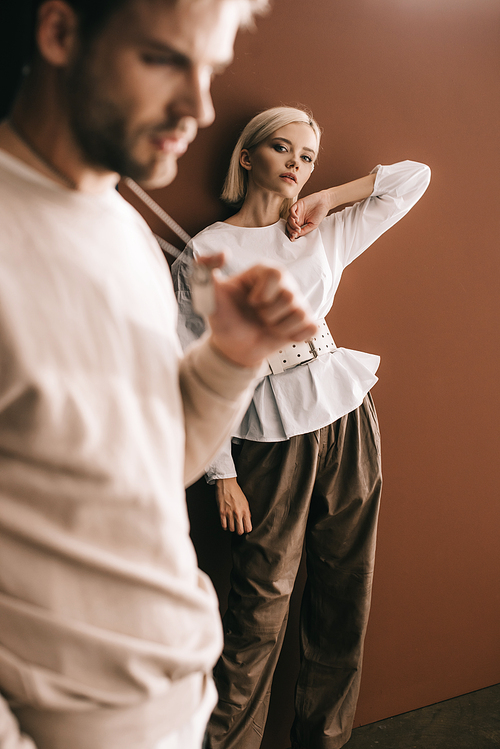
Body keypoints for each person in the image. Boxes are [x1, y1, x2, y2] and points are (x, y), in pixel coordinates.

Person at [0, 4, 321, 749]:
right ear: (59, 34)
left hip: (178, 705)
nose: (200, 108)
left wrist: (229, 360)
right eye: (164, 61)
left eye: (207, 70)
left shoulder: (123, 227)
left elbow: (156, 465)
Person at [171, 105, 431, 749]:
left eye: (308, 156)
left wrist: (330, 196)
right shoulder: (208, 249)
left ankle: (325, 741)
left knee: (345, 595)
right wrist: (220, 474)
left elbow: (415, 178)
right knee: (259, 613)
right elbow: (198, 371)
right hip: (267, 439)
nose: (296, 164)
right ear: (246, 155)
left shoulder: (322, 231)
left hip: (347, 419)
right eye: (283, 149)